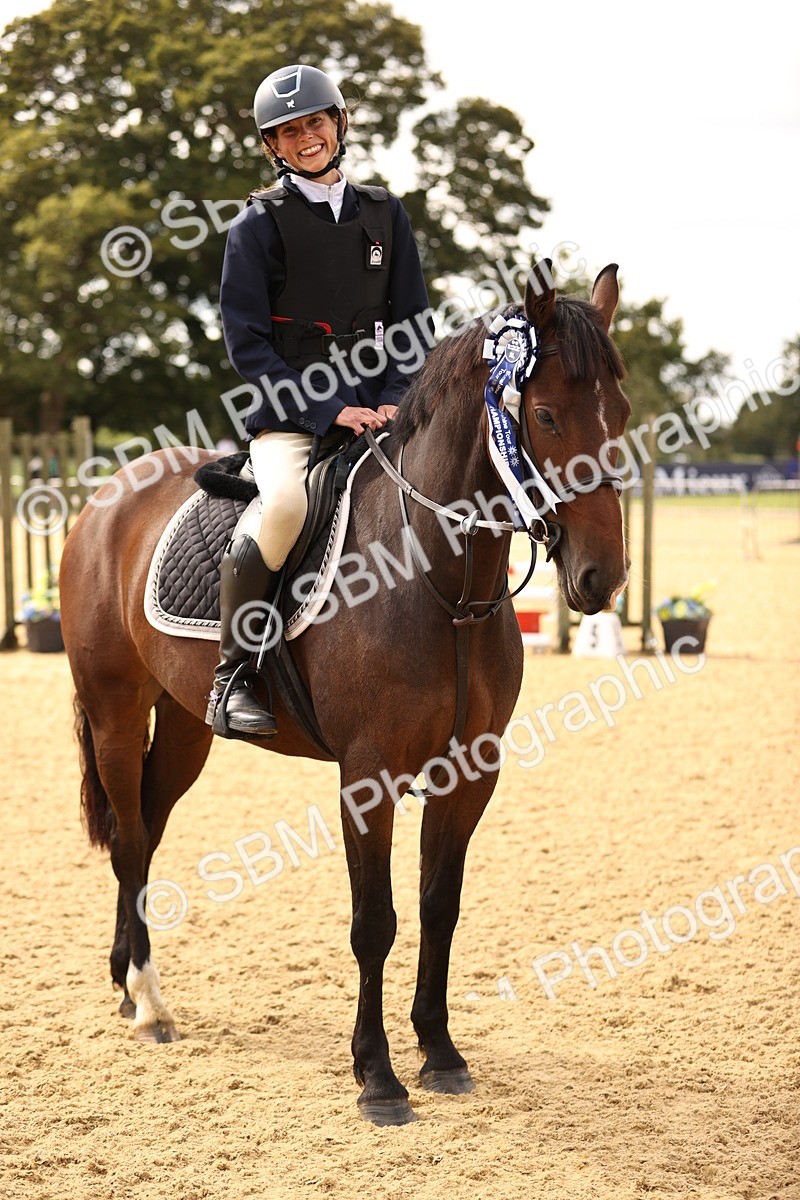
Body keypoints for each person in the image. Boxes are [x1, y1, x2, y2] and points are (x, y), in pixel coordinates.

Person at [206, 63, 433, 739]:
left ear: (339, 124)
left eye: (316, 122)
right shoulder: (256, 226)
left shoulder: (385, 214)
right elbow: (248, 347)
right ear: (273, 146)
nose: (306, 137)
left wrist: (396, 399)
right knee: (283, 506)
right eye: (290, 131)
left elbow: (414, 324)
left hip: (384, 409)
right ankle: (234, 672)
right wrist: (327, 411)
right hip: (293, 416)